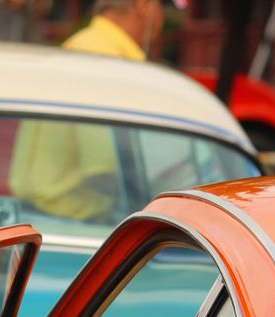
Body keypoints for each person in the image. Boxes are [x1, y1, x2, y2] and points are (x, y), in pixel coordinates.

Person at [9, 0, 171, 222]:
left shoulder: (85, 45)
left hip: (44, 213)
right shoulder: (106, 61)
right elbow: (105, 169)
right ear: (144, 5)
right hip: (72, 219)